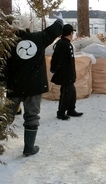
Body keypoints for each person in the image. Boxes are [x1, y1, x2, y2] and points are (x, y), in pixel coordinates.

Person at [2, 14, 63, 156]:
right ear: (28, 25)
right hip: (33, 86)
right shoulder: (38, 38)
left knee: (6, 116)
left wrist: (3, 83)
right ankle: (29, 148)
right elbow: (54, 30)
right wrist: (59, 20)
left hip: (14, 86)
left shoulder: (8, 43)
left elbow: (3, 66)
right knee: (32, 116)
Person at [50, 24, 83, 120]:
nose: (73, 35)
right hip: (64, 74)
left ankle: (71, 109)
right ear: (70, 33)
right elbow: (56, 59)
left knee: (72, 92)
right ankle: (61, 112)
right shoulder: (62, 44)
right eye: (72, 33)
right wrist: (53, 70)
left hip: (69, 73)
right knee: (66, 93)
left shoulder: (67, 44)